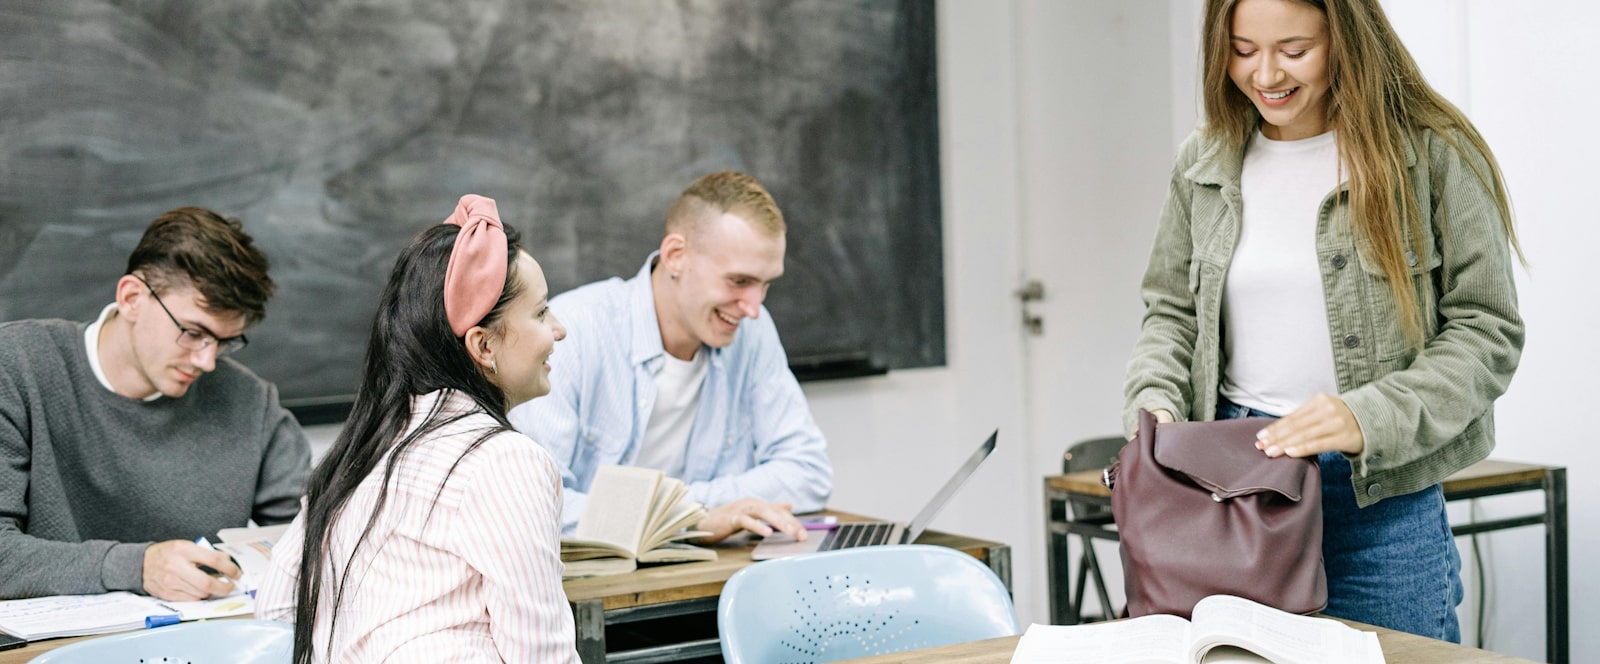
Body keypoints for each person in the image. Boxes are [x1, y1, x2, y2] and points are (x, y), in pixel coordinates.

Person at [1123, 0, 1524, 641]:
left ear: (1346, 39)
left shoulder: (1434, 153)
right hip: (1234, 486)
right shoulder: (1204, 163)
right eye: (1243, 49)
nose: (1265, 73)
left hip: (1381, 497)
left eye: (1294, 49)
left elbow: (1486, 329)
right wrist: (1157, 408)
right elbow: (1170, 314)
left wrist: (1368, 414)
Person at [255, 195, 578, 663]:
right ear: (483, 346)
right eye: (542, 312)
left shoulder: (363, 445)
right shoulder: (503, 460)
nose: (560, 330)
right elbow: (541, 656)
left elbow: (277, 609)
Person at [0, 207, 310, 601]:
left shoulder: (250, 401)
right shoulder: (14, 367)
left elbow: (313, 535)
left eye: (225, 341)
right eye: (193, 332)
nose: (207, 361)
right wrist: (138, 567)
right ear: (131, 298)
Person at [509, 171, 832, 543]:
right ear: (676, 256)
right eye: (739, 281)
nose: (754, 308)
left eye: (766, 284)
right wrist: (692, 518)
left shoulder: (753, 333)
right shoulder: (572, 332)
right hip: (597, 593)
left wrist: (691, 511)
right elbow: (539, 505)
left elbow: (809, 472)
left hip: (706, 579)